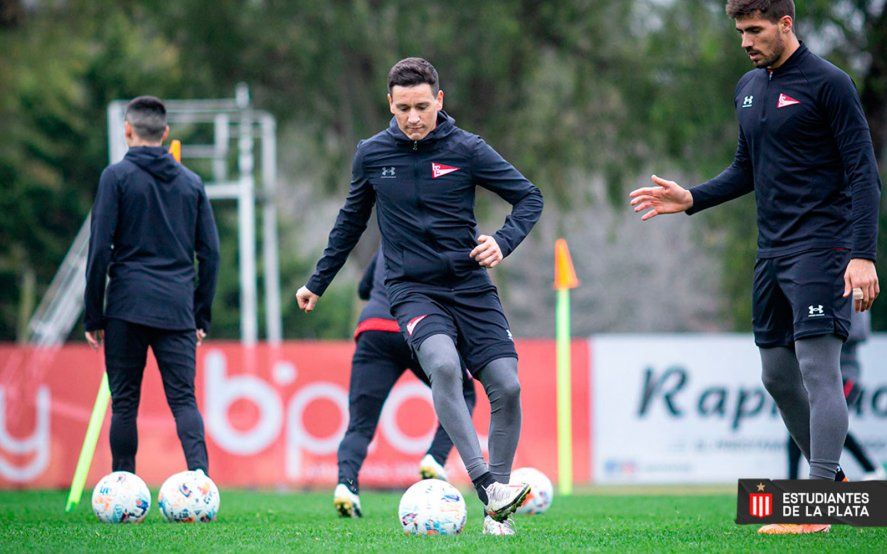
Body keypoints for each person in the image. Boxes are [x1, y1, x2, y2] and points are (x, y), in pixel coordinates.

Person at [628, 0, 881, 535]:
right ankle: (833, 491)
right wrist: (692, 198)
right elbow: (747, 168)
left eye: (755, 29)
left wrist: (862, 255)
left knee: (818, 369)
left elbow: (864, 173)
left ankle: (815, 502)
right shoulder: (748, 87)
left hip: (824, 248)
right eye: (740, 30)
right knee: (775, 374)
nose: (745, 39)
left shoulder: (829, 83)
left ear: (785, 24)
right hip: (772, 252)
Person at [296, 57, 543, 535]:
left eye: (423, 106)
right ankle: (488, 487)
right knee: (445, 368)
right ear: (390, 102)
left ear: (440, 101)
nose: (413, 117)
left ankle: (498, 513)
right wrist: (317, 283)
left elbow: (529, 196)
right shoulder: (371, 154)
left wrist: (503, 240)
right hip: (413, 291)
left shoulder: (467, 149)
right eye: (404, 107)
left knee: (507, 388)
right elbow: (349, 223)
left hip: (471, 287)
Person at [84, 96, 220, 476]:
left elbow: (98, 250)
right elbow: (210, 254)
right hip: (177, 309)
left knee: (124, 403)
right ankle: (201, 483)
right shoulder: (191, 183)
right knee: (184, 401)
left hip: (126, 306)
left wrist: (94, 314)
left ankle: (123, 484)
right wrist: (200, 316)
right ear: (166, 134)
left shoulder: (115, 177)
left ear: (127, 131)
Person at [333, 247, 477, 518]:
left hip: (374, 329)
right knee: (464, 393)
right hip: (417, 328)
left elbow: (364, 288)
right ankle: (435, 457)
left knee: (360, 424)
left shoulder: (389, 236)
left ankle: (346, 486)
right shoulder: (441, 238)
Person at [787, 309, 886, 480]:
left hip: (845, 376)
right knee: (800, 424)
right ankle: (791, 482)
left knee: (828, 425)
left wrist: (824, 328)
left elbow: (861, 332)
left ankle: (871, 469)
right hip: (819, 376)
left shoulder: (850, 292)